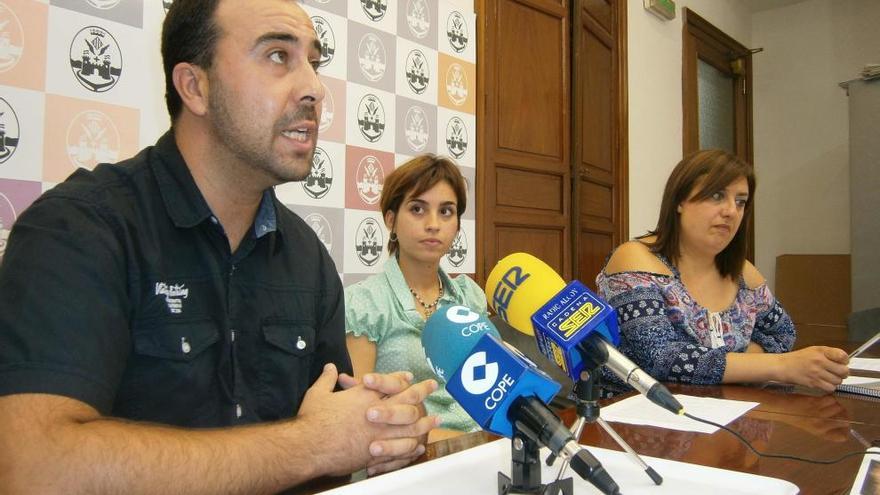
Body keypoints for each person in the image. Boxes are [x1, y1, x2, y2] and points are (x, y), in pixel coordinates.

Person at [0, 0, 438, 492]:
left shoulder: (307, 259)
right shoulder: (80, 230)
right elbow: (33, 470)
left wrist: (382, 435)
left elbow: (336, 441)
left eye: (313, 62)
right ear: (195, 86)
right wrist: (309, 445)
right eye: (277, 56)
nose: (315, 88)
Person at [597, 150, 849, 394]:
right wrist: (779, 366)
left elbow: (783, 333)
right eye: (717, 196)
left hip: (726, 408)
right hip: (635, 415)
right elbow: (660, 358)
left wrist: (743, 364)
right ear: (679, 201)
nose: (731, 211)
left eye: (740, 202)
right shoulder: (635, 258)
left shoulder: (742, 272)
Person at [345, 155, 487, 442]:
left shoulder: (470, 297)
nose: (434, 224)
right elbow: (362, 416)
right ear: (391, 220)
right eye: (418, 209)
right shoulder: (364, 303)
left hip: (484, 446)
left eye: (446, 212)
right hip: (409, 456)